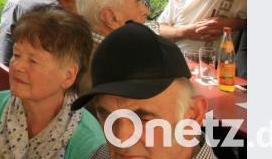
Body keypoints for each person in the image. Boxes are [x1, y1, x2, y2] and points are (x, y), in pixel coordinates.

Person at [0, 9, 105, 159]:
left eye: (33, 61)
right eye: (16, 54)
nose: (18, 66)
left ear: (68, 76)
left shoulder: (87, 142)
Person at [72, 22, 215, 159]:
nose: (121, 139)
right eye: (108, 117)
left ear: (192, 116)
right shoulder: (101, 155)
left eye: (143, 119)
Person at [75, 0, 152, 94]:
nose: (146, 11)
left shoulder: (80, 45)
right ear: (110, 18)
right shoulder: (113, 67)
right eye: (137, 3)